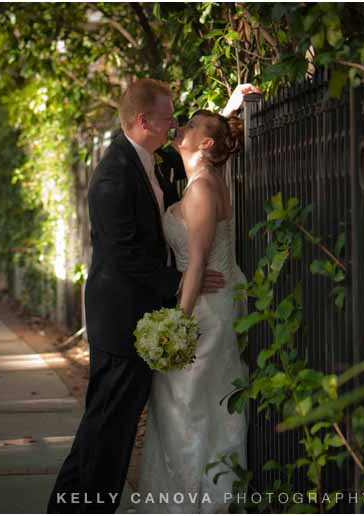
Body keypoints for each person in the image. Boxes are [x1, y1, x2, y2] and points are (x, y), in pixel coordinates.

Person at [47, 79, 258, 514]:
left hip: (168, 313)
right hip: (122, 321)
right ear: (144, 121)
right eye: (169, 118)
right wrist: (179, 281)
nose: (175, 125)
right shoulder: (113, 176)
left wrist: (232, 108)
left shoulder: (153, 159)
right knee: (106, 431)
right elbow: (123, 255)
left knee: (112, 431)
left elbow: (204, 145)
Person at [133, 109, 250, 513]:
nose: (179, 128)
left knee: (187, 412)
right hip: (200, 300)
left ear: (206, 143)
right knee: (190, 410)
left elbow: (198, 263)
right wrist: (231, 106)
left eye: (189, 126)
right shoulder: (199, 182)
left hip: (202, 313)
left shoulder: (201, 189)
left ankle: (190, 505)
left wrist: (175, 327)